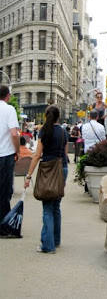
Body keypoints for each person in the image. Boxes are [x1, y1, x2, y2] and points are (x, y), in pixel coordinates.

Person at [23, 106, 69, 253]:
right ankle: (55, 240)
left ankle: (48, 246)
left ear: (46, 116)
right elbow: (65, 154)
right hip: (61, 168)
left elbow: (37, 155)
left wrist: (29, 176)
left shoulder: (44, 131)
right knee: (56, 206)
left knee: (47, 208)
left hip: (48, 169)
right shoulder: (63, 132)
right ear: (59, 116)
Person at [0, 85, 20, 225]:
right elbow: (14, 134)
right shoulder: (9, 109)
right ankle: (4, 222)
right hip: (5, 154)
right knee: (4, 191)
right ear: (8, 95)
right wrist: (17, 150)